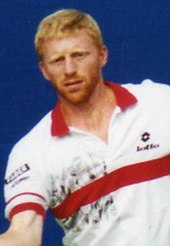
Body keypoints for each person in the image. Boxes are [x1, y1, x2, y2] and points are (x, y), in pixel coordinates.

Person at [0, 9, 170, 246]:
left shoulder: (159, 104)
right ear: (44, 70)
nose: (69, 69)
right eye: (58, 60)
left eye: (79, 55)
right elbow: (24, 234)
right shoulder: (31, 152)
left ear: (102, 56)